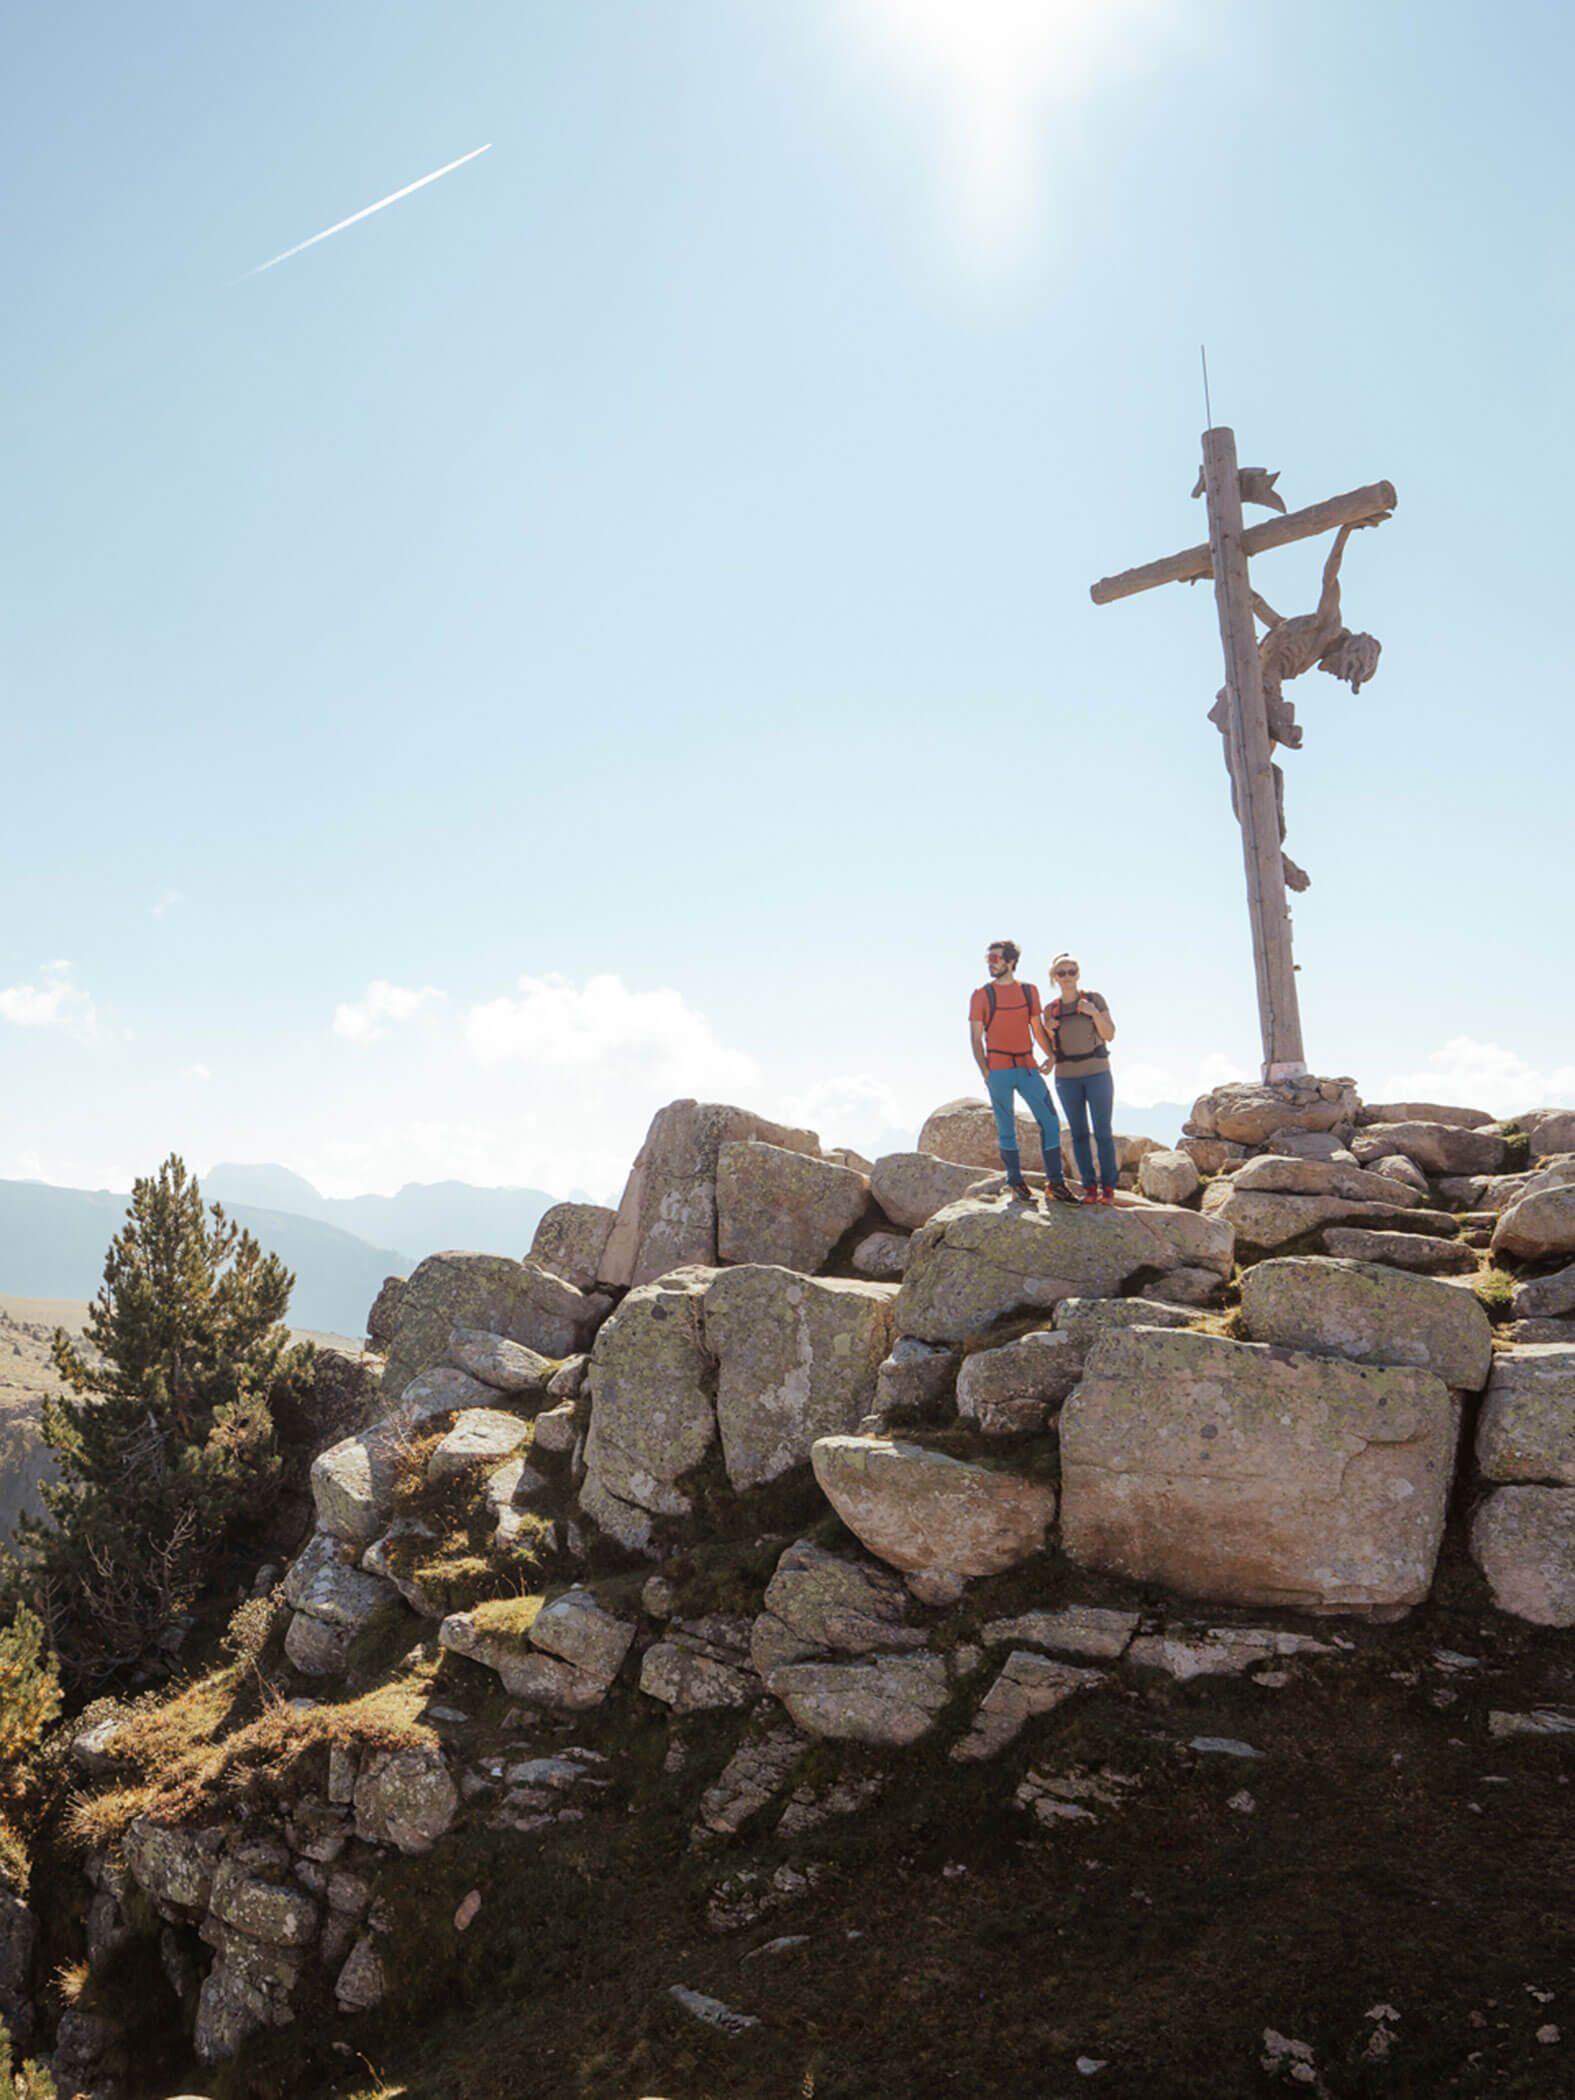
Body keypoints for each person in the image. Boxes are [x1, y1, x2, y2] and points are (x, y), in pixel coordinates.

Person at [968, 941, 1076, 1204]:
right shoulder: (981, 995)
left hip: (1028, 1068)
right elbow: (975, 1037)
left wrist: (1051, 1055)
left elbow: (1037, 1029)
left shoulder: (1029, 992)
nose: (990, 963)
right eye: (988, 959)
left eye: (995, 958)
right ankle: (1015, 1182)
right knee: (1007, 1129)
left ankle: (1056, 1183)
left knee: (1050, 1123)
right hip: (998, 1071)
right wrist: (985, 1072)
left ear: (1011, 962)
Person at [1041, 953, 1118, 1204]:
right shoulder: (1050, 1010)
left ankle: (1109, 1188)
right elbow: (1052, 1048)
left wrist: (1094, 1013)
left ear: (1078, 974)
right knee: (1079, 1134)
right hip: (1067, 1078)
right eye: (1061, 973)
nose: (1067, 977)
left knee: (1103, 1132)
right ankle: (1090, 1188)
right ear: (1054, 977)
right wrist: (1048, 1031)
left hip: (1098, 1073)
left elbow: (1109, 1034)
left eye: (1071, 971)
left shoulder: (1093, 1000)